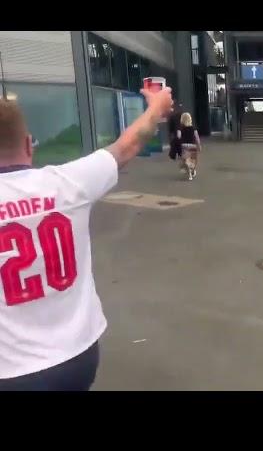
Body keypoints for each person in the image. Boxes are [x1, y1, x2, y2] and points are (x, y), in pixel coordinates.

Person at [0, 87, 173, 391]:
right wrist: (157, 106)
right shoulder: (68, 183)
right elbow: (128, 144)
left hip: (11, 371)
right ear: (29, 145)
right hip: (77, 358)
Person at [177, 112, 201, 181]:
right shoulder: (193, 128)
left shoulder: (180, 128)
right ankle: (193, 170)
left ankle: (189, 173)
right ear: (190, 119)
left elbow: (178, 137)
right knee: (193, 160)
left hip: (184, 146)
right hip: (193, 146)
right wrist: (199, 145)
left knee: (186, 160)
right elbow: (197, 138)